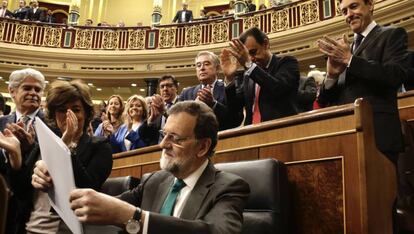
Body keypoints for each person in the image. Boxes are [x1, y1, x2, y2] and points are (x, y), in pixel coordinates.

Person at [69, 101, 250, 234]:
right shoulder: (154, 180)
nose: (163, 144)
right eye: (164, 135)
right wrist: (61, 187)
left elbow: (218, 232)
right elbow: (107, 206)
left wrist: (137, 218)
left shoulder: (229, 187)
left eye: (175, 138)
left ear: (202, 147)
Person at [316, 0, 408, 164]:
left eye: (353, 6)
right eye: (344, 12)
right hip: (347, 134)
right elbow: (324, 100)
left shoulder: (392, 34)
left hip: (379, 136)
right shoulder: (347, 48)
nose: (349, 15)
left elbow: (395, 75)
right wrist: (331, 76)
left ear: (370, 5)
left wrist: (350, 60)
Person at [28, 79, 113, 233]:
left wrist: (66, 147)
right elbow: (22, 189)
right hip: (31, 223)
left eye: (76, 109)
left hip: (69, 227)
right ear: (54, 114)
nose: (69, 115)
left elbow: (88, 186)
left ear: (86, 113)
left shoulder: (100, 146)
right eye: (61, 110)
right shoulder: (44, 142)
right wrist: (34, 176)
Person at [221, 27, 300, 125]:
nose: (251, 59)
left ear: (266, 44)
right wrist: (229, 78)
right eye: (247, 55)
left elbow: (278, 88)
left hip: (282, 130)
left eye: (253, 52)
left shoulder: (287, 62)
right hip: (252, 133)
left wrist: (248, 65)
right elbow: (235, 108)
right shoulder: (248, 75)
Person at [0, 68, 46, 234]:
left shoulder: (52, 125)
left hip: (33, 205)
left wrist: (28, 149)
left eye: (38, 90)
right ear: (12, 91)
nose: (33, 93)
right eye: (27, 88)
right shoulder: (1, 123)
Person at [179, 51, 243, 130]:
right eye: (198, 65)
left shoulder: (228, 88)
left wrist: (213, 104)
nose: (202, 68)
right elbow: (178, 121)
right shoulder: (186, 93)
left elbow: (235, 119)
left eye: (206, 64)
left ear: (217, 68)